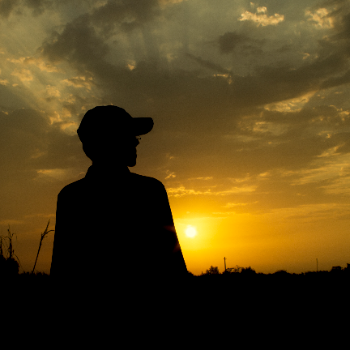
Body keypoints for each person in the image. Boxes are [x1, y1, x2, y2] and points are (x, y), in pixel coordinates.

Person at [50, 105, 188, 288]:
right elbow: (173, 266)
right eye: (130, 136)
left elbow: (62, 270)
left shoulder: (71, 197)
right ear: (112, 141)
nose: (136, 142)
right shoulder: (150, 191)